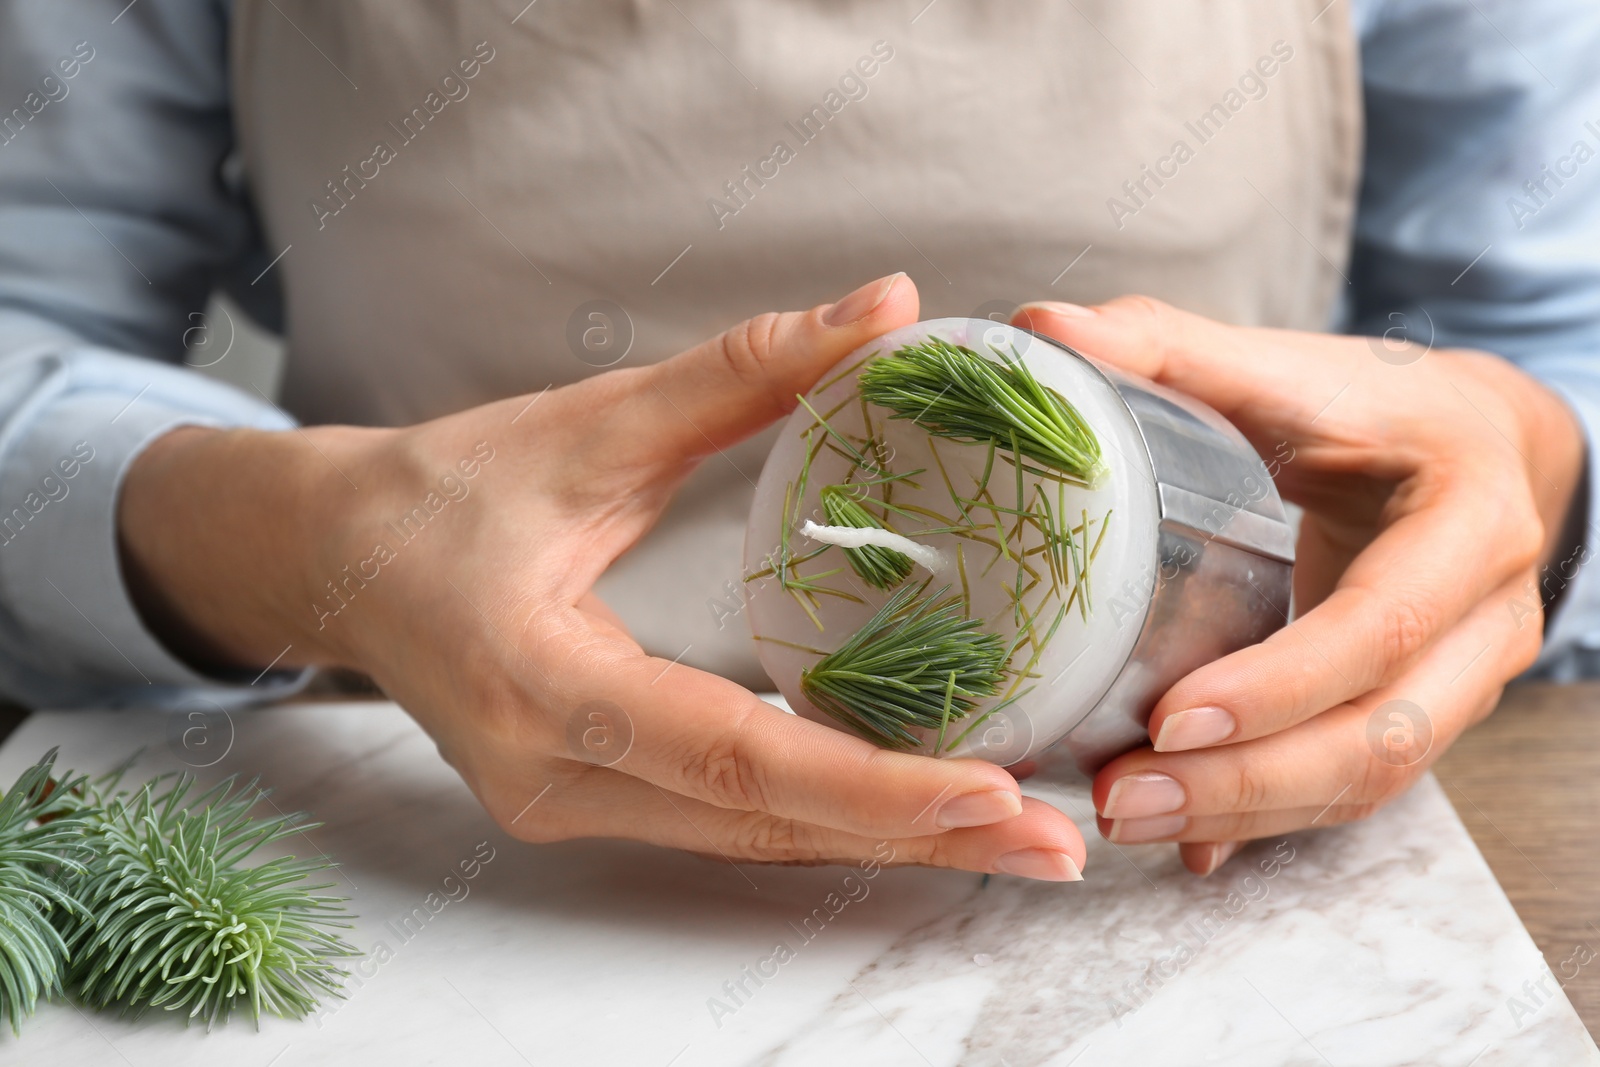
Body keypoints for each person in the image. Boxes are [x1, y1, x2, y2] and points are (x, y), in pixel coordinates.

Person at [0, 0, 1595, 881]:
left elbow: (1557, 341)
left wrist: (1532, 467)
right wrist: (300, 540)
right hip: (417, 823)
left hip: (1144, 847)